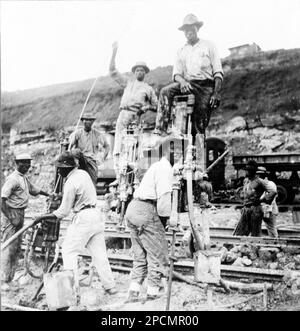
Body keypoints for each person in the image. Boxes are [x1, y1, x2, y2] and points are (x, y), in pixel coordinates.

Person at [35, 152, 117, 297]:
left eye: (60, 168)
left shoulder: (70, 182)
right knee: (100, 254)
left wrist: (42, 217)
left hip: (83, 218)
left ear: (67, 167)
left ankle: (72, 290)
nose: (58, 171)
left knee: (68, 250)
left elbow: (63, 212)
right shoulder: (83, 174)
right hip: (96, 216)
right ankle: (110, 286)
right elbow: (79, 195)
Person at [124, 137, 185, 303]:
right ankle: (152, 292)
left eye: (181, 150)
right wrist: (172, 221)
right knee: (157, 253)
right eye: (175, 150)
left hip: (133, 209)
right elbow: (164, 204)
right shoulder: (165, 168)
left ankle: (134, 291)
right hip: (146, 210)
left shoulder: (157, 166)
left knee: (140, 255)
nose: (178, 154)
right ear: (166, 151)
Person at [154, 13, 223, 137]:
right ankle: (161, 129)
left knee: (199, 121)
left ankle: (198, 148)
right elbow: (176, 74)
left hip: (205, 87)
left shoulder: (209, 46)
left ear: (197, 28)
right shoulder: (181, 50)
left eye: (191, 28)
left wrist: (216, 93)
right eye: (186, 29)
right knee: (165, 92)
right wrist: (183, 82)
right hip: (188, 84)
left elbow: (218, 73)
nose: (188, 32)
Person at [109, 41, 158, 180]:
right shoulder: (127, 83)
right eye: (137, 70)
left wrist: (147, 107)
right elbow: (112, 72)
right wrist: (114, 51)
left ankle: (134, 179)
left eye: (142, 70)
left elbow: (158, 106)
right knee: (118, 147)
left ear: (145, 72)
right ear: (134, 72)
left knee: (134, 148)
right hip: (123, 116)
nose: (139, 72)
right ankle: (119, 178)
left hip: (136, 118)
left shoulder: (148, 88)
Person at [1, 153, 50, 290]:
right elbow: (2, 200)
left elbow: (34, 190)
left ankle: (10, 277)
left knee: (16, 247)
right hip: (11, 214)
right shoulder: (13, 179)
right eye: (25, 163)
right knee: (8, 246)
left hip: (20, 213)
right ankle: (3, 279)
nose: (28, 166)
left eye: (29, 163)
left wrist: (49, 194)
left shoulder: (23, 178)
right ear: (17, 163)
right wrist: (11, 217)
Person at [233, 160, 277, 237]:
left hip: (255, 209)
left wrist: (262, 200)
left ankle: (255, 247)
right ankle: (241, 247)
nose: (247, 172)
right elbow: (245, 193)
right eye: (247, 170)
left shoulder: (260, 181)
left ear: (254, 171)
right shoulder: (246, 181)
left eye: (249, 170)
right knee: (241, 231)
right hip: (246, 209)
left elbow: (273, 192)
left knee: (255, 233)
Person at [69, 111, 110, 187]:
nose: (87, 122)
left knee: (91, 183)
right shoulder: (77, 134)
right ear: (82, 121)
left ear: (92, 122)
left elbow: (107, 146)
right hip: (80, 161)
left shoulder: (97, 134)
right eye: (85, 120)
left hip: (92, 161)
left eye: (90, 120)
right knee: (78, 183)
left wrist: (103, 157)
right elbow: (70, 147)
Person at [256, 166, 279, 238]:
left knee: (270, 228)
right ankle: (275, 245)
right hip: (268, 209)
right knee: (271, 228)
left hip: (268, 210)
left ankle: (275, 245)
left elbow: (271, 196)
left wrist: (260, 200)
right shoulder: (271, 183)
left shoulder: (267, 185)